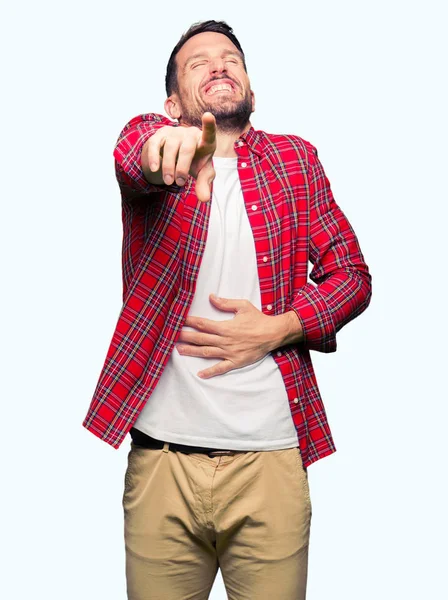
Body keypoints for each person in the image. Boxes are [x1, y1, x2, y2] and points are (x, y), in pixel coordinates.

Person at [82, 19, 372, 600]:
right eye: (198, 63)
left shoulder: (298, 160)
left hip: (271, 463)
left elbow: (353, 277)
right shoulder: (158, 154)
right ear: (171, 102)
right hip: (163, 464)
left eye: (230, 58)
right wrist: (168, 145)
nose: (218, 65)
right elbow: (133, 154)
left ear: (251, 88)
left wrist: (280, 328)